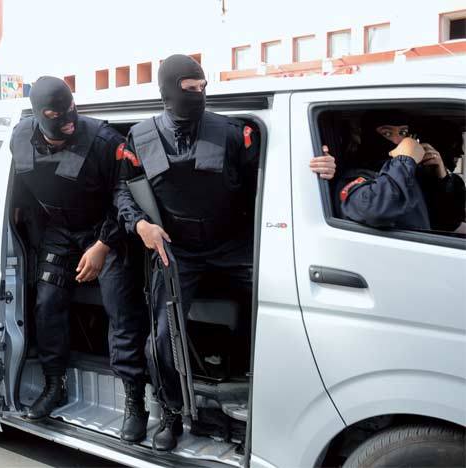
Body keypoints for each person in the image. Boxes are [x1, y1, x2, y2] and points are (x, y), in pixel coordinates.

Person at [114, 54, 337, 451]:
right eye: (189, 89)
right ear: (167, 91)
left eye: (203, 87)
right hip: (177, 250)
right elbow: (122, 190)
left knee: (287, 313)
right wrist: (140, 226)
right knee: (162, 338)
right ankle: (171, 412)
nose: (198, 95)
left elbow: (276, 173)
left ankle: (275, 409)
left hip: (233, 245)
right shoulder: (139, 137)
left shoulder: (234, 132)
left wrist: (321, 167)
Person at [11, 76, 149, 442]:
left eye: (71, 108)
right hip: (60, 229)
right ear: (39, 115)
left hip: (107, 230)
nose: (68, 120)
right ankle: (54, 384)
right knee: (46, 302)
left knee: (121, 309)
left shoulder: (104, 141)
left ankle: (134, 400)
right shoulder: (20, 137)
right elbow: (23, 191)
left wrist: (102, 245)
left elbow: (126, 198)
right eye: (56, 114)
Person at [330, 110, 465, 231]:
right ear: (366, 135)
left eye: (403, 133)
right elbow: (375, 211)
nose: (398, 141)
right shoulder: (356, 176)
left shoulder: (410, 174)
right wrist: (404, 159)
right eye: (387, 133)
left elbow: (448, 223)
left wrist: (442, 177)